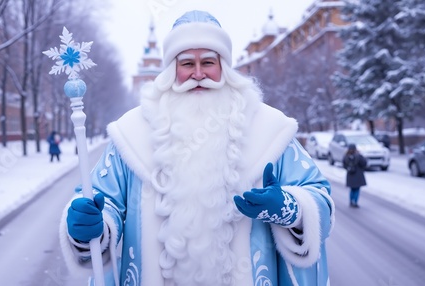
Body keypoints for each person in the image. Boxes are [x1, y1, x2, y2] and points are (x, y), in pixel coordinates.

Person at [60, 10, 335, 286]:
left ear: (224, 66)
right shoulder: (132, 133)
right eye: (188, 63)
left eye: (208, 62)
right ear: (172, 69)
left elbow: (318, 194)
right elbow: (101, 199)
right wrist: (90, 226)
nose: (199, 74)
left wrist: (289, 208)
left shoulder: (270, 128)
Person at [342, 143, 367, 208]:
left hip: (350, 175)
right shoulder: (358, 156)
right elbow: (364, 163)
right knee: (357, 189)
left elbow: (344, 165)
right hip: (358, 175)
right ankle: (355, 202)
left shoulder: (346, 156)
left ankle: (351, 201)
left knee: (352, 189)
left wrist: (349, 168)